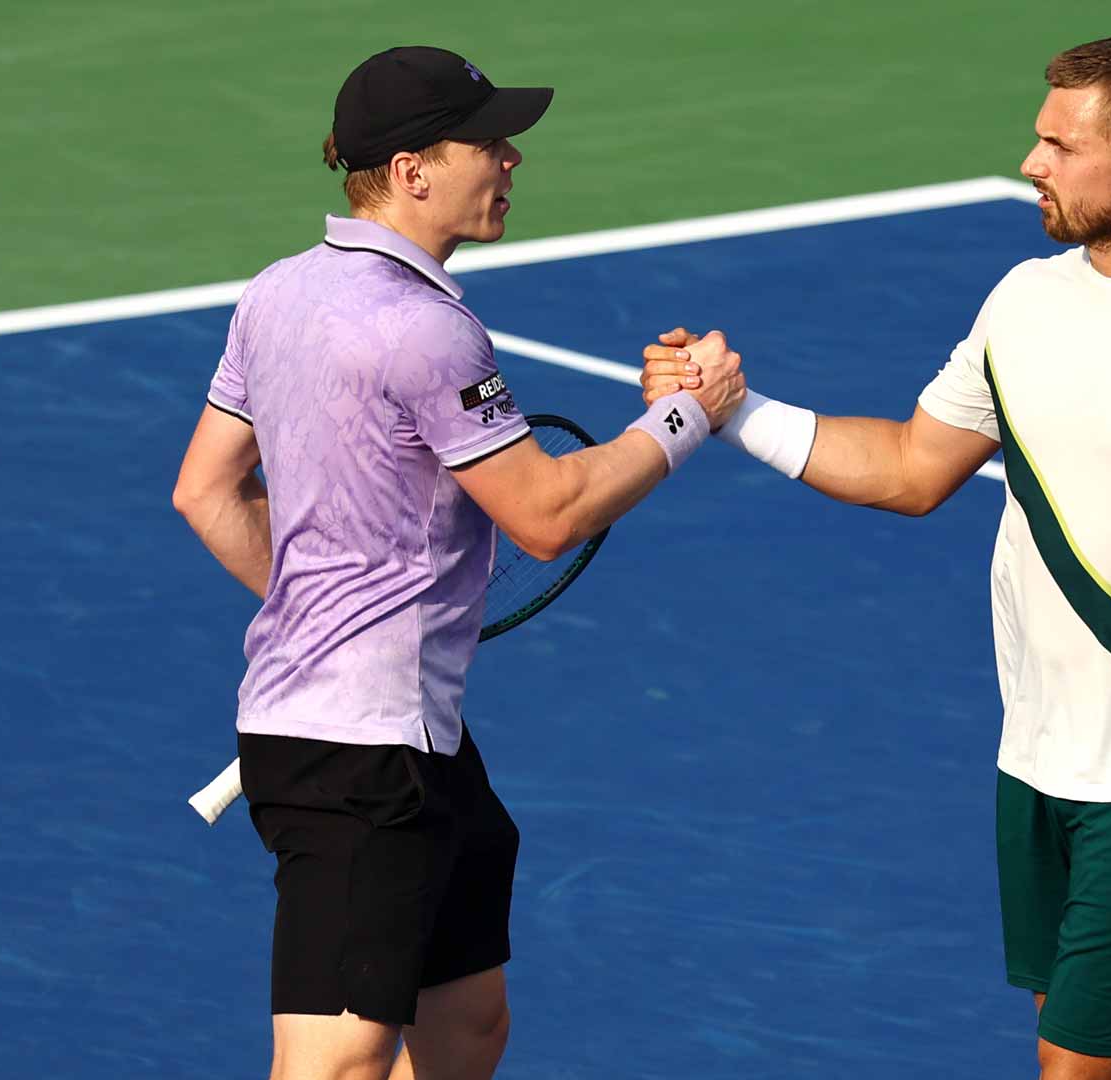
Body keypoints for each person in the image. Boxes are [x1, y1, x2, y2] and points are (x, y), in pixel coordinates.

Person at [638, 35, 1111, 1080]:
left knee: (1072, 1066)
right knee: (1109, 1045)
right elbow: (915, 467)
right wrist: (732, 414)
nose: (1030, 162)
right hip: (1041, 752)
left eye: (1060, 143)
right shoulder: (1022, 303)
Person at [171, 45, 742, 1080]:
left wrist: (330, 609)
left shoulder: (278, 293)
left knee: (467, 1025)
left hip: (402, 737)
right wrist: (685, 417)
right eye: (487, 141)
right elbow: (546, 512)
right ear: (411, 170)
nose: (512, 159)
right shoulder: (427, 331)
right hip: (358, 760)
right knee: (335, 1062)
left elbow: (205, 490)